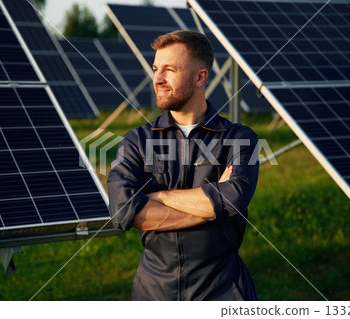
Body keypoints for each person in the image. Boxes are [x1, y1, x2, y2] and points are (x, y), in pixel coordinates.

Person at [107, 30, 259, 301]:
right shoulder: (137, 141)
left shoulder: (239, 138)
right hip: (153, 295)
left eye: (169, 70)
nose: (157, 79)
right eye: (155, 69)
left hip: (223, 292)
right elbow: (122, 211)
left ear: (200, 77)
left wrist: (158, 197)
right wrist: (212, 207)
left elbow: (234, 197)